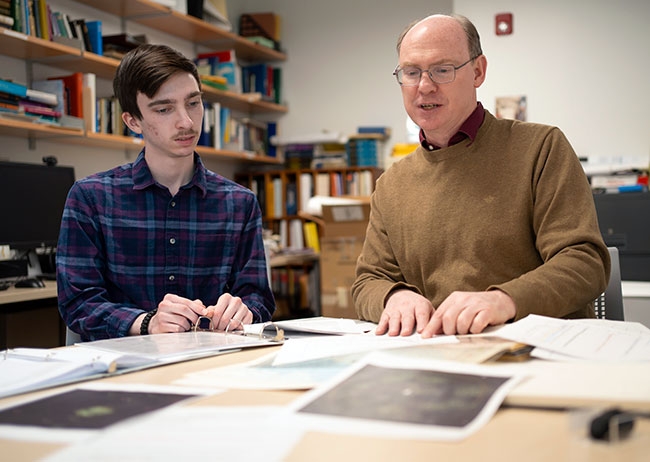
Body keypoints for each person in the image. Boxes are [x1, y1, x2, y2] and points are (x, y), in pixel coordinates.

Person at [351, 14, 609, 338]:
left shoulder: (541, 148)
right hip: (439, 360)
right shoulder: (392, 185)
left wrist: (504, 301)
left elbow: (585, 263)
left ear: (477, 71)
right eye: (411, 72)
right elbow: (367, 283)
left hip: (540, 357)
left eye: (442, 70)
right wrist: (393, 297)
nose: (424, 86)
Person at [57, 44, 275, 341]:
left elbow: (258, 297)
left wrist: (243, 310)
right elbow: (78, 302)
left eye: (194, 103)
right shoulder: (90, 198)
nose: (186, 121)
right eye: (164, 109)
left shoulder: (240, 203)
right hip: (120, 367)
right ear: (133, 121)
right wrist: (147, 323)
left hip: (212, 363)